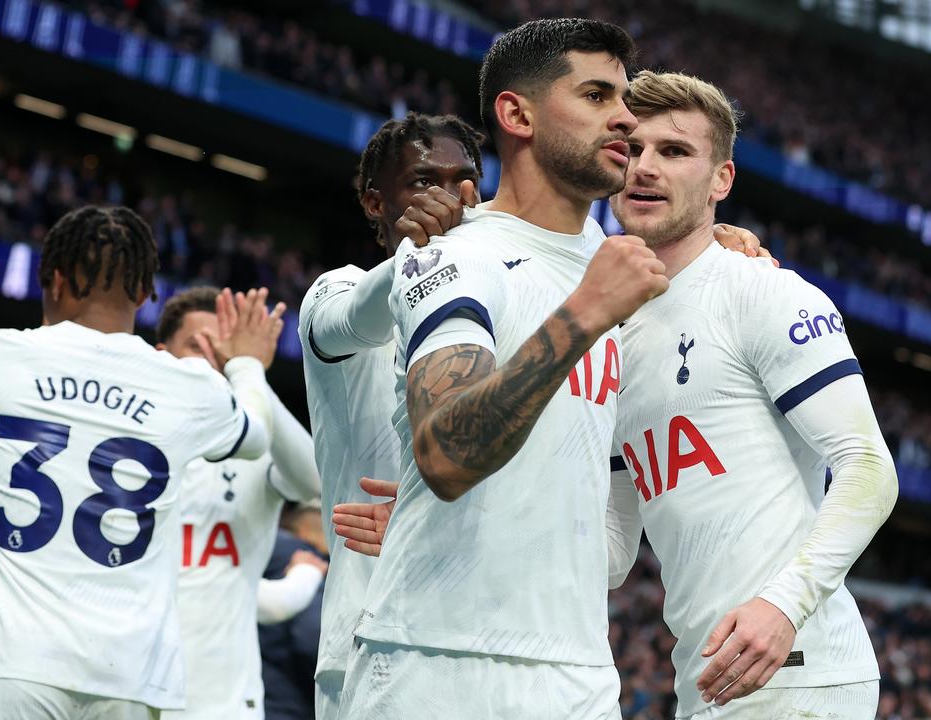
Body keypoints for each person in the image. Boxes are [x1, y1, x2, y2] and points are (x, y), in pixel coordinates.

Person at [336, 70, 897, 719]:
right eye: (633, 150)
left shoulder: (764, 292)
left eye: (676, 151)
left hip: (799, 666)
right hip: (708, 675)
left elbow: (870, 468)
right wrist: (452, 522)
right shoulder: (612, 328)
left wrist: (784, 607)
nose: (645, 168)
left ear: (722, 180)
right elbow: (607, 547)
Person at [342, 17, 663, 719]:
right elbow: (445, 453)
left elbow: (607, 541)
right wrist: (582, 315)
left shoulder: (620, 273)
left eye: (626, 99)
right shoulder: (455, 254)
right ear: (517, 113)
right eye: (597, 96)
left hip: (577, 672)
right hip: (435, 663)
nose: (626, 120)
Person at [0, 206, 278, 718]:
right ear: (146, 294)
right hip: (130, 672)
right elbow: (255, 436)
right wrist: (249, 361)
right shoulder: (189, 386)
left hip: (12, 658)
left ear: (52, 280)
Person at [297, 111, 484, 719]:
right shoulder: (337, 290)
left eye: (464, 180)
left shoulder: (494, 306)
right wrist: (416, 254)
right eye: (425, 181)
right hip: (368, 637)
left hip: (484, 637)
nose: (450, 198)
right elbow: (357, 317)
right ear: (375, 202)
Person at [154, 286, 322, 719]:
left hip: (222, 703)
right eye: (199, 344)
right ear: (161, 354)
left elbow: (311, 479)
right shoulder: (131, 444)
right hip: (130, 691)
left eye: (225, 347)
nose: (215, 357)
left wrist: (250, 373)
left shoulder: (258, 451)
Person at [258, 503, 329, 720]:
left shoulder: (252, 553)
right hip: (289, 706)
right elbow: (312, 637)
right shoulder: (309, 561)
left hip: (247, 699)